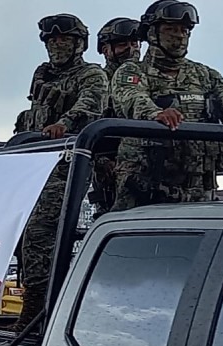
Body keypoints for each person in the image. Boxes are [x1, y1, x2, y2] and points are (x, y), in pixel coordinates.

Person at [110, 0, 223, 211]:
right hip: (147, 188)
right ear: (151, 33)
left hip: (199, 188)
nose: (179, 35)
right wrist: (155, 114)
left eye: (184, 30)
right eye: (170, 29)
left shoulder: (204, 74)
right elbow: (131, 97)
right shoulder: (131, 71)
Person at [9, 13, 108, 332]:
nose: (57, 45)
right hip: (33, 165)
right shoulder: (41, 76)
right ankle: (37, 307)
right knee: (22, 235)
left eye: (63, 39)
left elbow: (90, 107)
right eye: (52, 40)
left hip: (67, 165)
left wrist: (63, 125)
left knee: (41, 233)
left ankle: (38, 313)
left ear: (79, 43)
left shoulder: (91, 74)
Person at [88, 17, 141, 218]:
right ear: (105, 50)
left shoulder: (148, 76)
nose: (131, 49)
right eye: (122, 44)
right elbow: (86, 126)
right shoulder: (96, 82)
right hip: (111, 169)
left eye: (135, 43)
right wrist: (101, 160)